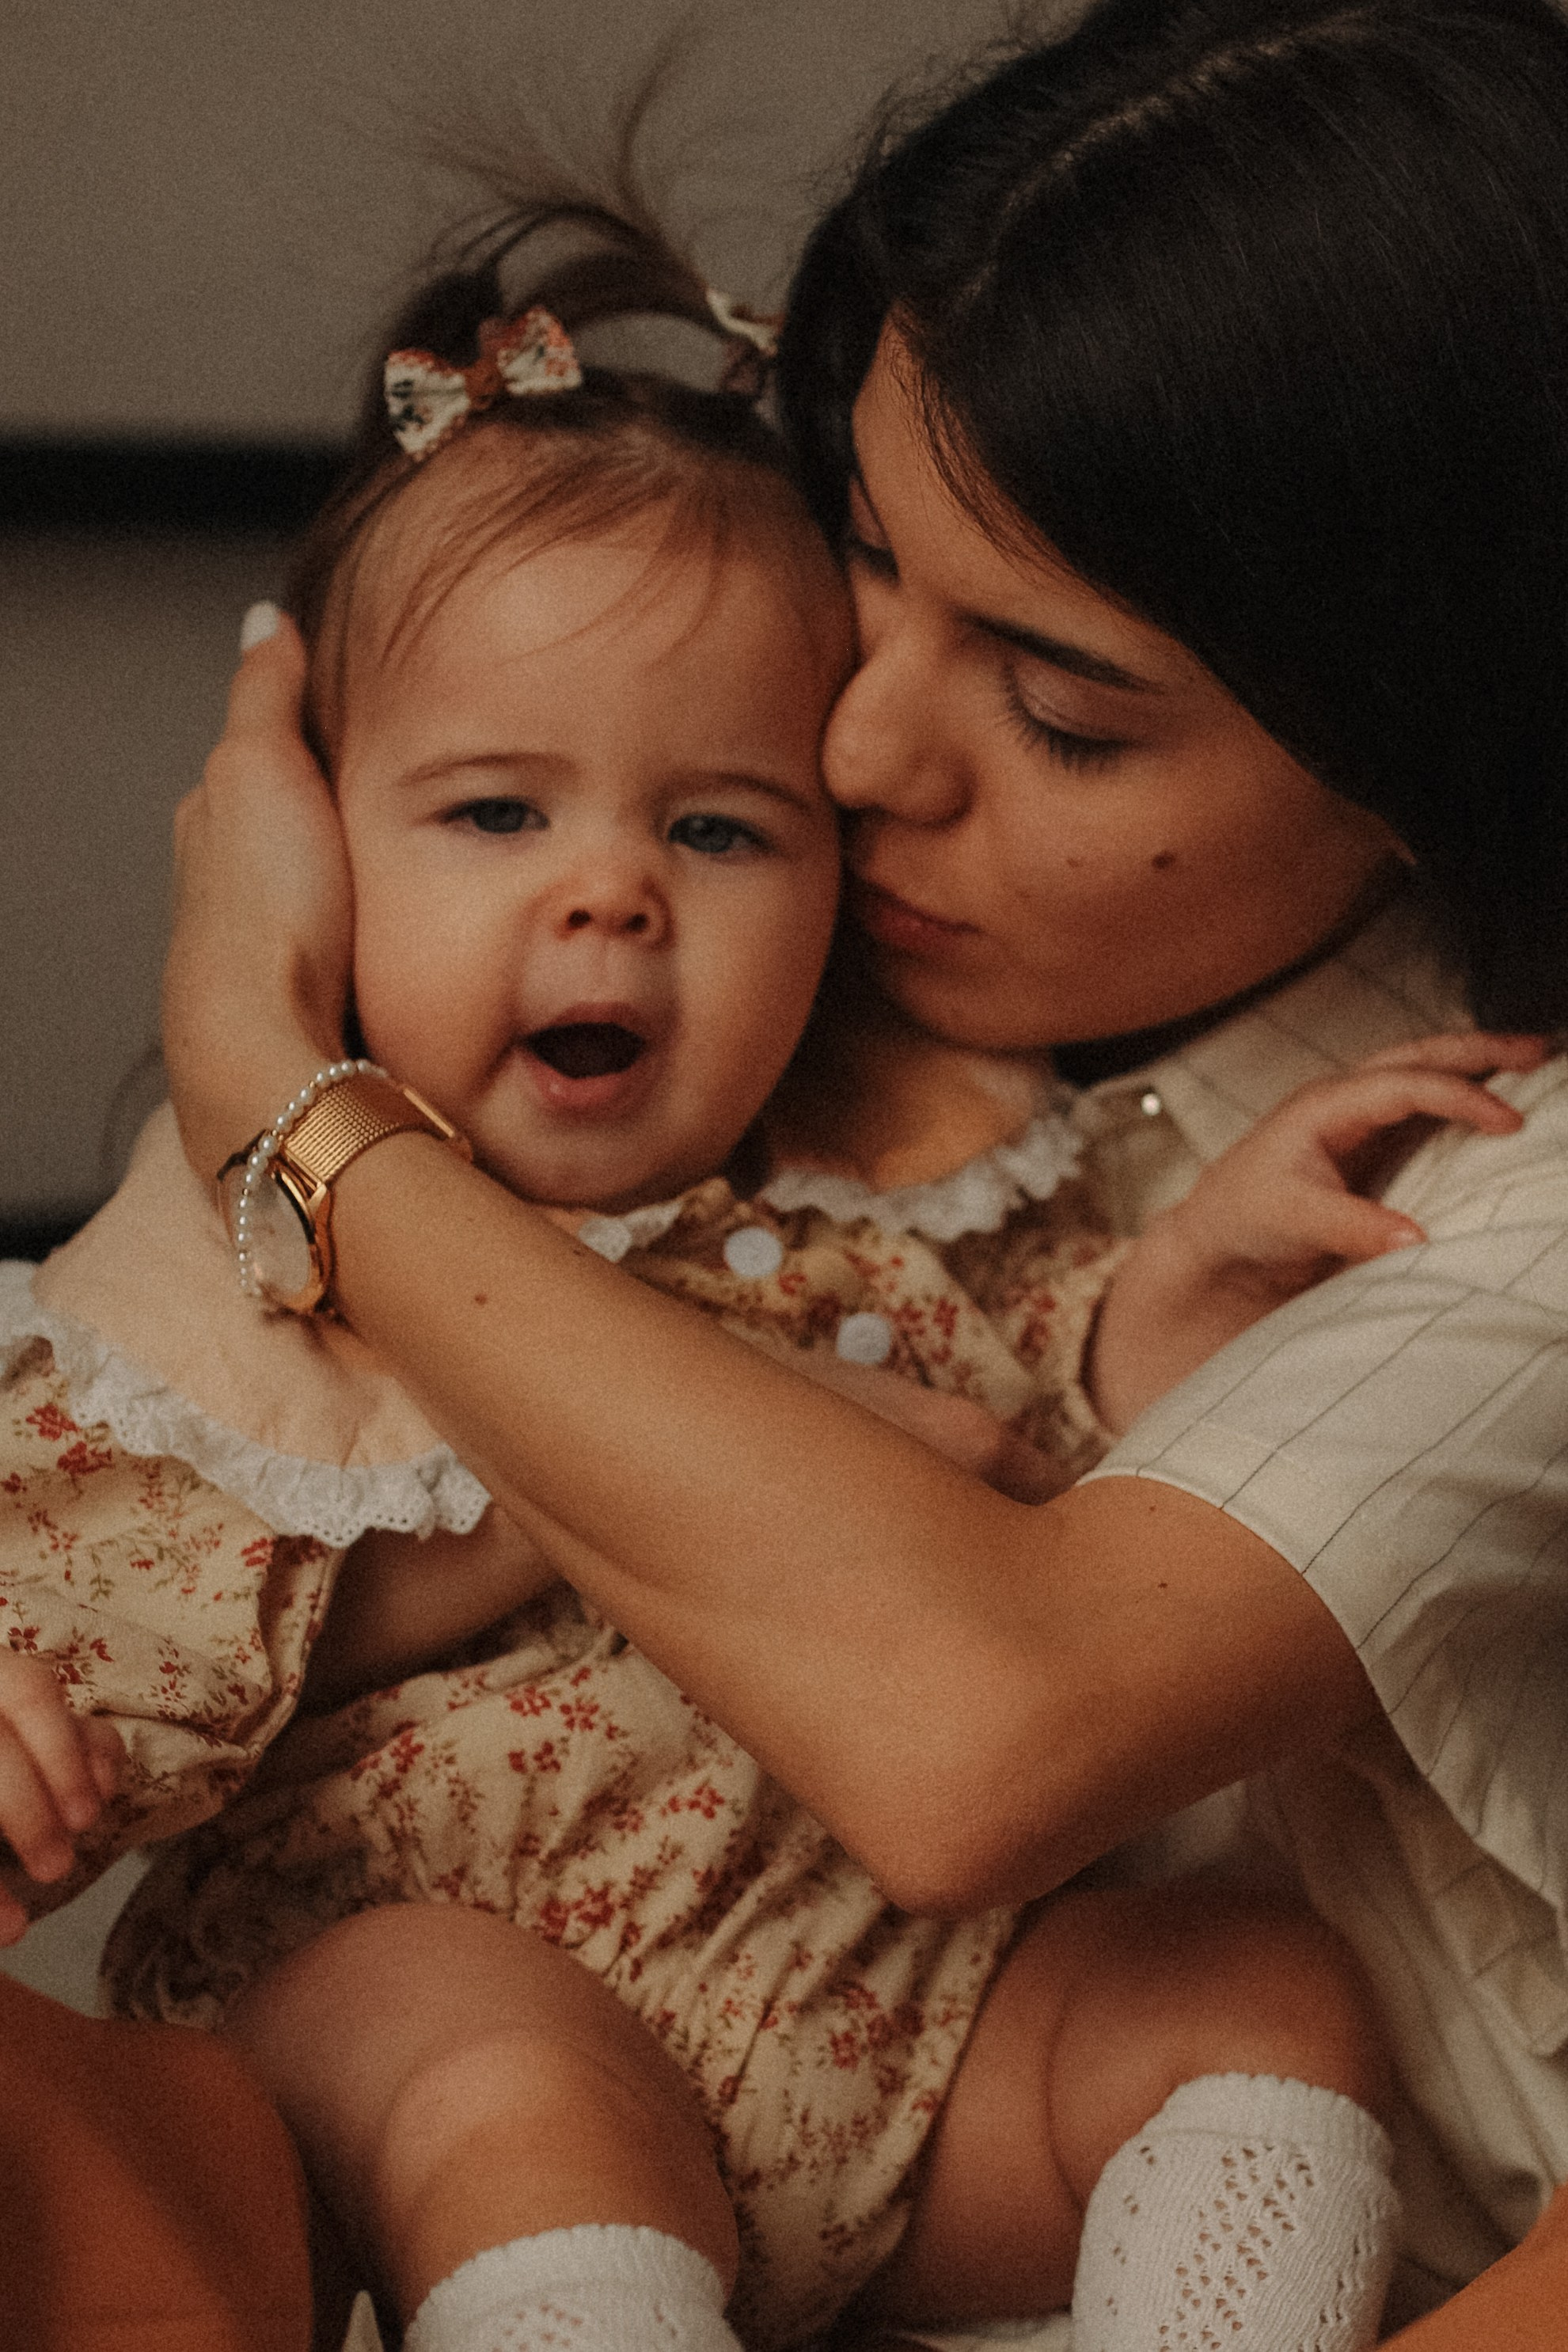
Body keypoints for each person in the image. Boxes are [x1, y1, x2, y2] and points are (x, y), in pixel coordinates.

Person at [133, 0, 1568, 2343]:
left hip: (1177, 2172)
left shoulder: (1489, 1167)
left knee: (1241, 1994)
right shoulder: (771, 1028)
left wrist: (272, 1086)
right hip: (500, 2034)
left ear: (1441, 753)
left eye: (1062, 709)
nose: (859, 746)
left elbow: (980, 1724)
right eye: (870, 560)